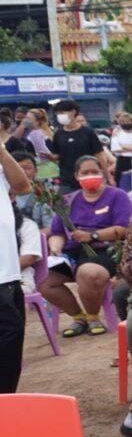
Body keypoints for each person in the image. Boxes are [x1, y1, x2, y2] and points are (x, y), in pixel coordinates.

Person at [39, 156, 132, 336]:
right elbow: (57, 232)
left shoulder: (117, 196)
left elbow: (124, 229)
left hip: (105, 251)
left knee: (90, 273)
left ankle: (92, 317)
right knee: (43, 281)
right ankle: (78, 317)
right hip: (73, 253)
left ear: (102, 173)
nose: (90, 176)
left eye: (94, 172)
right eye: (85, 172)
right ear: (76, 175)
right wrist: (55, 249)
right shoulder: (66, 201)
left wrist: (93, 235)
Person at [0, 143, 30, 392]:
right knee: (10, 332)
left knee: (14, 337)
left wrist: (1, 151)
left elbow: (22, 186)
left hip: (8, 270)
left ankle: (7, 401)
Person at [48, 99, 108, 192]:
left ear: (73, 112)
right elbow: (57, 155)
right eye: (57, 113)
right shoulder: (58, 134)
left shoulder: (88, 132)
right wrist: (50, 157)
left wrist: (106, 175)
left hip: (88, 178)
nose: (59, 116)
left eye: (62, 112)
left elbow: (99, 154)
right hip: (66, 180)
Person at [108, 110, 132, 181]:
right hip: (122, 161)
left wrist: (123, 146)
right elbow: (115, 149)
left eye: (128, 121)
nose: (126, 123)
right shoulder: (117, 134)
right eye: (123, 122)